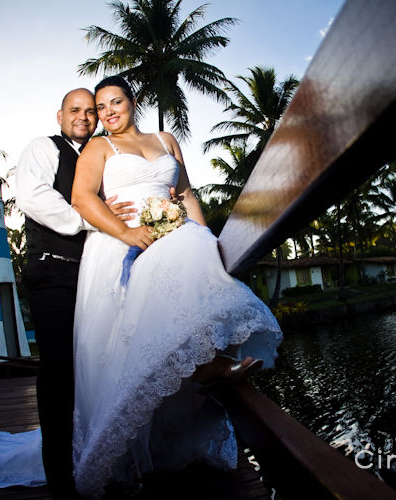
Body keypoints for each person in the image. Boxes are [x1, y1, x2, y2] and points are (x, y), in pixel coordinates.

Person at [68, 75, 282, 498]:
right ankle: (208, 368)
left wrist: (211, 243)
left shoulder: (166, 140)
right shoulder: (98, 148)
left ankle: (213, 361)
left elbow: (185, 194)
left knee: (195, 251)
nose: (108, 112)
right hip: (129, 237)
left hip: (177, 230)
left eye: (116, 102)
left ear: (133, 101)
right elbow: (82, 198)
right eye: (101, 107)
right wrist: (127, 233)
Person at [14, 87, 135, 498]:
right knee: (60, 369)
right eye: (75, 110)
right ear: (60, 115)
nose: (84, 117)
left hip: (95, 278)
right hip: (54, 274)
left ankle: (98, 456)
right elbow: (33, 197)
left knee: (98, 369)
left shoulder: (101, 155)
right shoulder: (43, 148)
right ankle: (60, 476)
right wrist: (91, 220)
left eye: (91, 111)